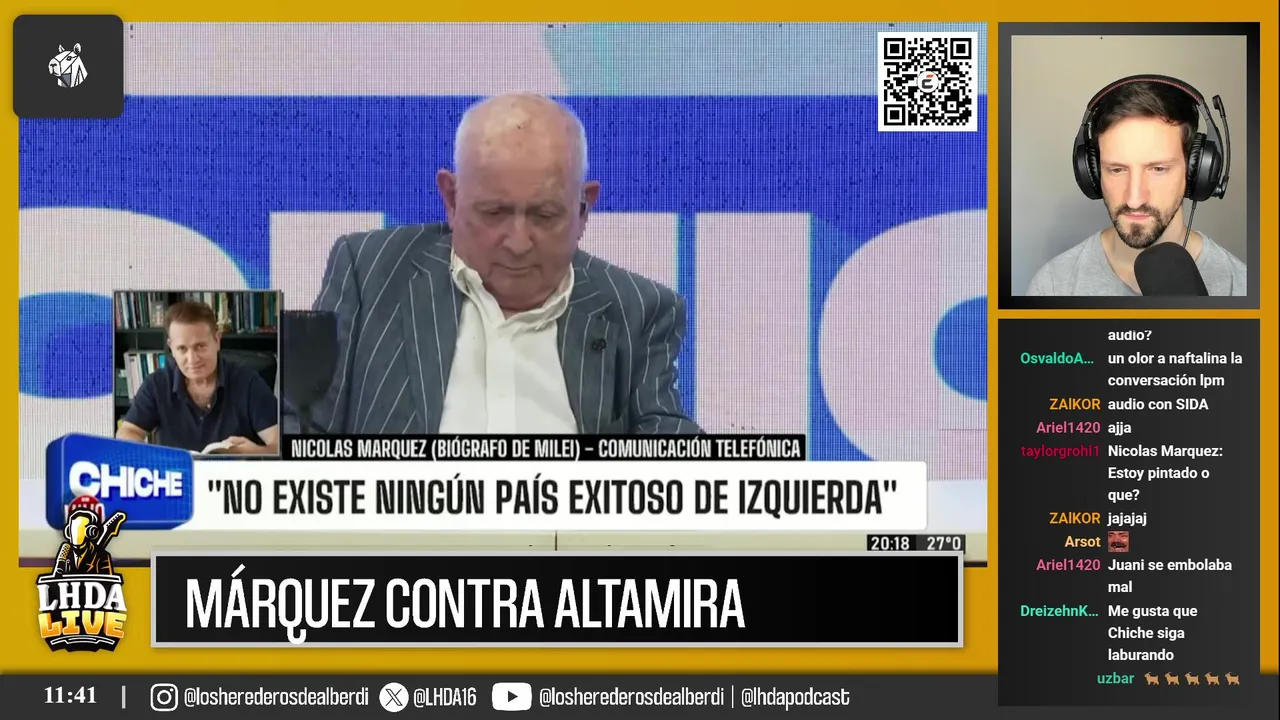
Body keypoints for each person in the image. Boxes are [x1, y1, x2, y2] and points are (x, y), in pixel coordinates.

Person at [291, 92, 701, 435]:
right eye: (493, 213)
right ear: (451, 199)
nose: (518, 243)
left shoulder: (637, 309)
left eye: (544, 216)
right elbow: (293, 425)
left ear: (583, 209)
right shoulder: (370, 272)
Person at [1027, 78, 1246, 296]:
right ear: (1092, 173)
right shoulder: (1053, 286)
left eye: (1158, 169)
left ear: (1196, 171)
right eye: (1117, 169)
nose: (1134, 199)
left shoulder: (1240, 287)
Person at [116, 300, 280, 453]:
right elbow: (128, 431)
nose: (192, 359)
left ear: (217, 340)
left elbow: (278, 445)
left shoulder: (248, 382)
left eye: (200, 346)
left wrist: (254, 453)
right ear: (171, 347)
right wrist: (143, 453)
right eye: (182, 349)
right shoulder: (156, 384)